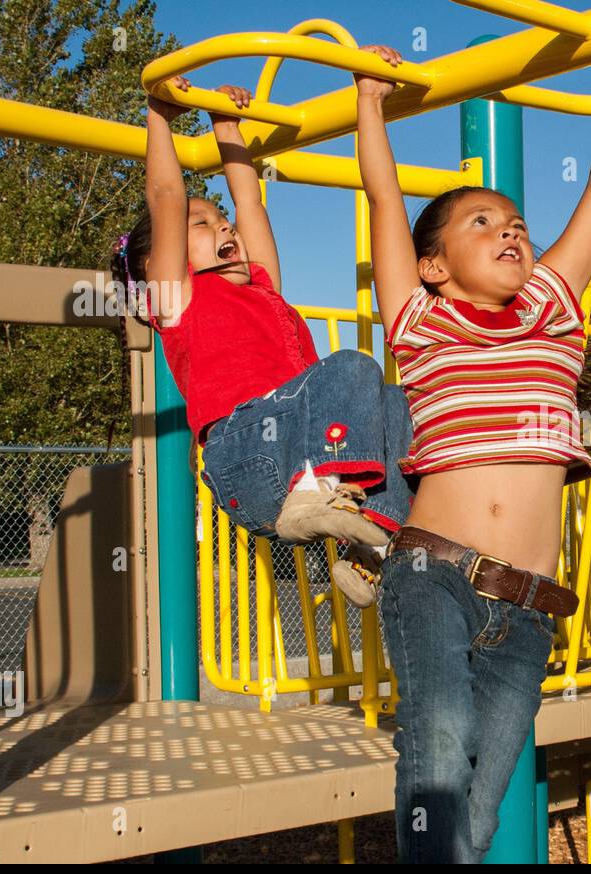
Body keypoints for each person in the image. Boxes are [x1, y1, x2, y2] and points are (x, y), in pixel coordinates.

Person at [354, 37, 591, 862]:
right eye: (482, 223)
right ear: (433, 266)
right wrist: (370, 100)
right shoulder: (419, 319)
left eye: (516, 225)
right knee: (435, 753)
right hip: (435, 576)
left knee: (481, 801)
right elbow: (383, 193)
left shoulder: (553, 305)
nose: (510, 233)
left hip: (534, 605)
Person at [113, 77, 413, 606]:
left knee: (393, 401)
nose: (225, 225)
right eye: (201, 223)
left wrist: (226, 125)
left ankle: (368, 551)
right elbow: (166, 195)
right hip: (246, 454)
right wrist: (159, 112)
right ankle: (310, 495)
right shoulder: (177, 297)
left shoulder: (262, 286)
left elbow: (249, 198)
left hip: (296, 446)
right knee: (351, 365)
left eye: (222, 219)